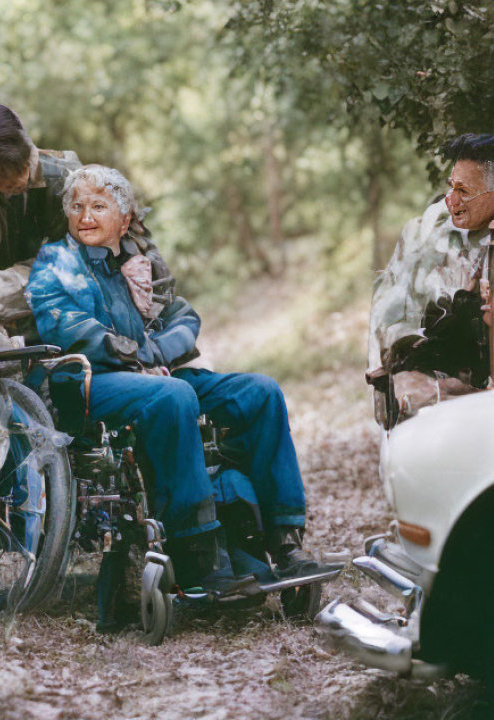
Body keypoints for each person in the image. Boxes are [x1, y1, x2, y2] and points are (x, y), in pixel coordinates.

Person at [0, 105, 168, 612]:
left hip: (44, 310)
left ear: (30, 154)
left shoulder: (64, 178)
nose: (11, 187)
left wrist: (134, 269)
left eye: (18, 175)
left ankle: (91, 536)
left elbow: (116, 236)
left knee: (64, 421)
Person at [26, 164, 334, 594]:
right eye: (76, 207)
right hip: (92, 384)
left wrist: (157, 352)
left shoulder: (140, 262)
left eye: (99, 205)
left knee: (260, 393)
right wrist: (136, 352)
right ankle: (198, 551)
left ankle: (282, 540)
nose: (85, 216)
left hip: (155, 375)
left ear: (126, 218)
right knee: (173, 396)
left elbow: (184, 318)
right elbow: (67, 326)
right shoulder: (54, 262)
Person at [367, 132, 494, 426]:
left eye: (464, 191)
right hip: (433, 408)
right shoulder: (424, 238)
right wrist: (423, 347)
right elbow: (385, 319)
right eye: (451, 187)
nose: (452, 200)